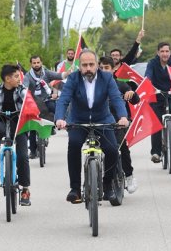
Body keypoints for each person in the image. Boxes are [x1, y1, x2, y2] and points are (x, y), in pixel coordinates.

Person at [55, 50, 129, 203]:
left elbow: (116, 98)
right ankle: (75, 189)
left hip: (102, 119)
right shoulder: (74, 78)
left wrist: (122, 117)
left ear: (97, 65)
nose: (88, 68)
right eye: (84, 65)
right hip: (78, 121)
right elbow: (64, 99)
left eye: (91, 64)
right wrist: (60, 118)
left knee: (112, 150)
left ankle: (107, 185)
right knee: (74, 145)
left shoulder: (107, 78)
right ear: (79, 66)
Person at [0, 64, 33, 206]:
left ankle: (25, 189)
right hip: (1, 120)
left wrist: (29, 108)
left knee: (23, 157)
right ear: (7, 78)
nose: (19, 79)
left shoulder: (22, 89)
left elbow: (29, 101)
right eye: (16, 76)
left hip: (19, 123)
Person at [99, 56, 140, 194]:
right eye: (101, 68)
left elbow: (135, 100)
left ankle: (129, 176)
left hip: (118, 123)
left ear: (113, 69)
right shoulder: (92, 86)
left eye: (107, 68)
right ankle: (92, 177)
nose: (104, 71)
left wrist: (131, 93)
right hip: (99, 124)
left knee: (121, 147)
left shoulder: (121, 85)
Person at [145, 41, 171, 163]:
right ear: (158, 52)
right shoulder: (152, 63)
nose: (165, 54)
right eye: (162, 51)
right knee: (156, 124)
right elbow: (148, 75)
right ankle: (156, 152)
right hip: (156, 95)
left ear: (170, 52)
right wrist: (147, 84)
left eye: (167, 51)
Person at [22, 55, 63, 158]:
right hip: (33, 103)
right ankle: (32, 151)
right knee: (32, 127)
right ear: (31, 64)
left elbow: (59, 76)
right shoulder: (28, 76)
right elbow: (24, 87)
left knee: (54, 108)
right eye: (34, 63)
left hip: (46, 100)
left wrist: (67, 73)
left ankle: (52, 126)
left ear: (41, 62)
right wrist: (24, 93)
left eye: (38, 62)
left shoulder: (46, 72)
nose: (36, 64)